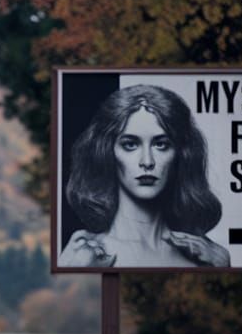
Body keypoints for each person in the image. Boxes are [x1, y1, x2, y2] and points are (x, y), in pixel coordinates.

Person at [58, 84, 229, 267]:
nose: (147, 161)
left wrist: (224, 268)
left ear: (181, 154)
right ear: (106, 152)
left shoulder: (211, 258)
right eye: (130, 144)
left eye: (161, 144)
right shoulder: (84, 258)